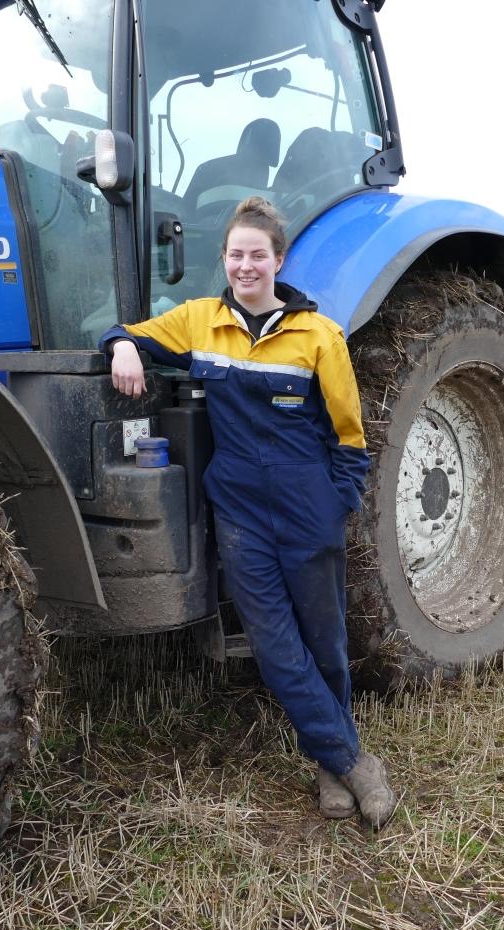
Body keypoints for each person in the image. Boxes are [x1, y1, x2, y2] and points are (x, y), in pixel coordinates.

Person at [99, 197, 397, 828]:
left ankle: (326, 767)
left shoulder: (319, 336)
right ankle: (352, 760)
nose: (245, 266)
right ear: (225, 260)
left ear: (278, 260)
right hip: (240, 511)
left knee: (326, 642)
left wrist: (333, 503)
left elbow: (350, 437)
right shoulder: (201, 322)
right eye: (235, 255)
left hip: (306, 506)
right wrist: (123, 346)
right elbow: (133, 332)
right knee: (274, 644)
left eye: (257, 254)